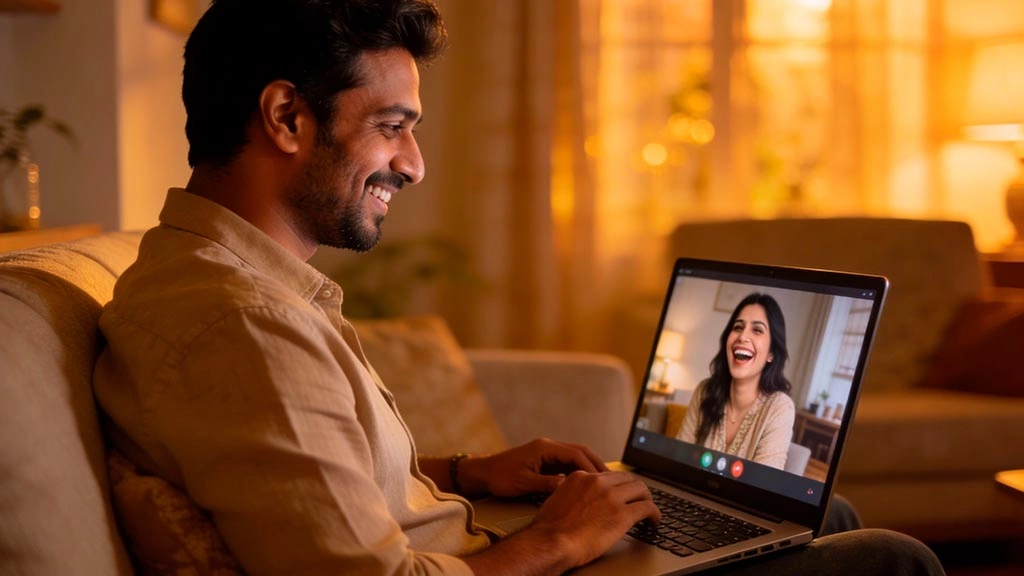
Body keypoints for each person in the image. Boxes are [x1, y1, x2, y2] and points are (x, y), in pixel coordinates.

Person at [93, 1, 945, 575]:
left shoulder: (228, 286)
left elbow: (301, 483)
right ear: (285, 118)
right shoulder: (237, 325)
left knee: (820, 519)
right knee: (891, 558)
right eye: (392, 128)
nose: (414, 165)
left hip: (485, 541)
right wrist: (560, 538)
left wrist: (467, 471)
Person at [677, 293, 796, 470]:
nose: (742, 337)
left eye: (757, 330)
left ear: (771, 353)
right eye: (738, 327)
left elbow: (762, 487)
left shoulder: (779, 408)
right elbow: (678, 458)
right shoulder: (705, 391)